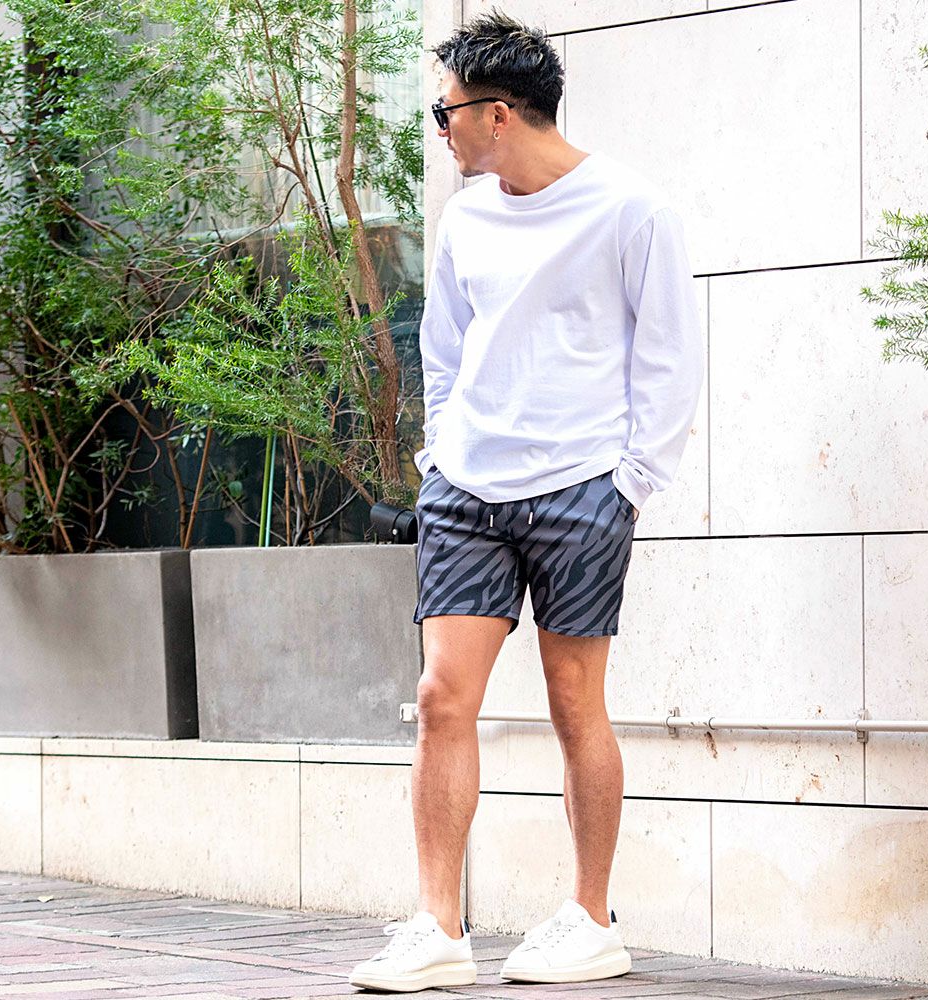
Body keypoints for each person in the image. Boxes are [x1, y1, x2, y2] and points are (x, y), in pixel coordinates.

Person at [349, 7, 704, 994]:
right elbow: (446, 355)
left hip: (583, 489)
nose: (441, 129)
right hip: (468, 491)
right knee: (439, 698)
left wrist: (629, 485)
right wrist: (440, 459)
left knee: (574, 702)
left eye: (446, 112)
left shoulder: (631, 210)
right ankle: (438, 927)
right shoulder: (467, 220)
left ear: (498, 114)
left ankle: (591, 919)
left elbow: (669, 359)